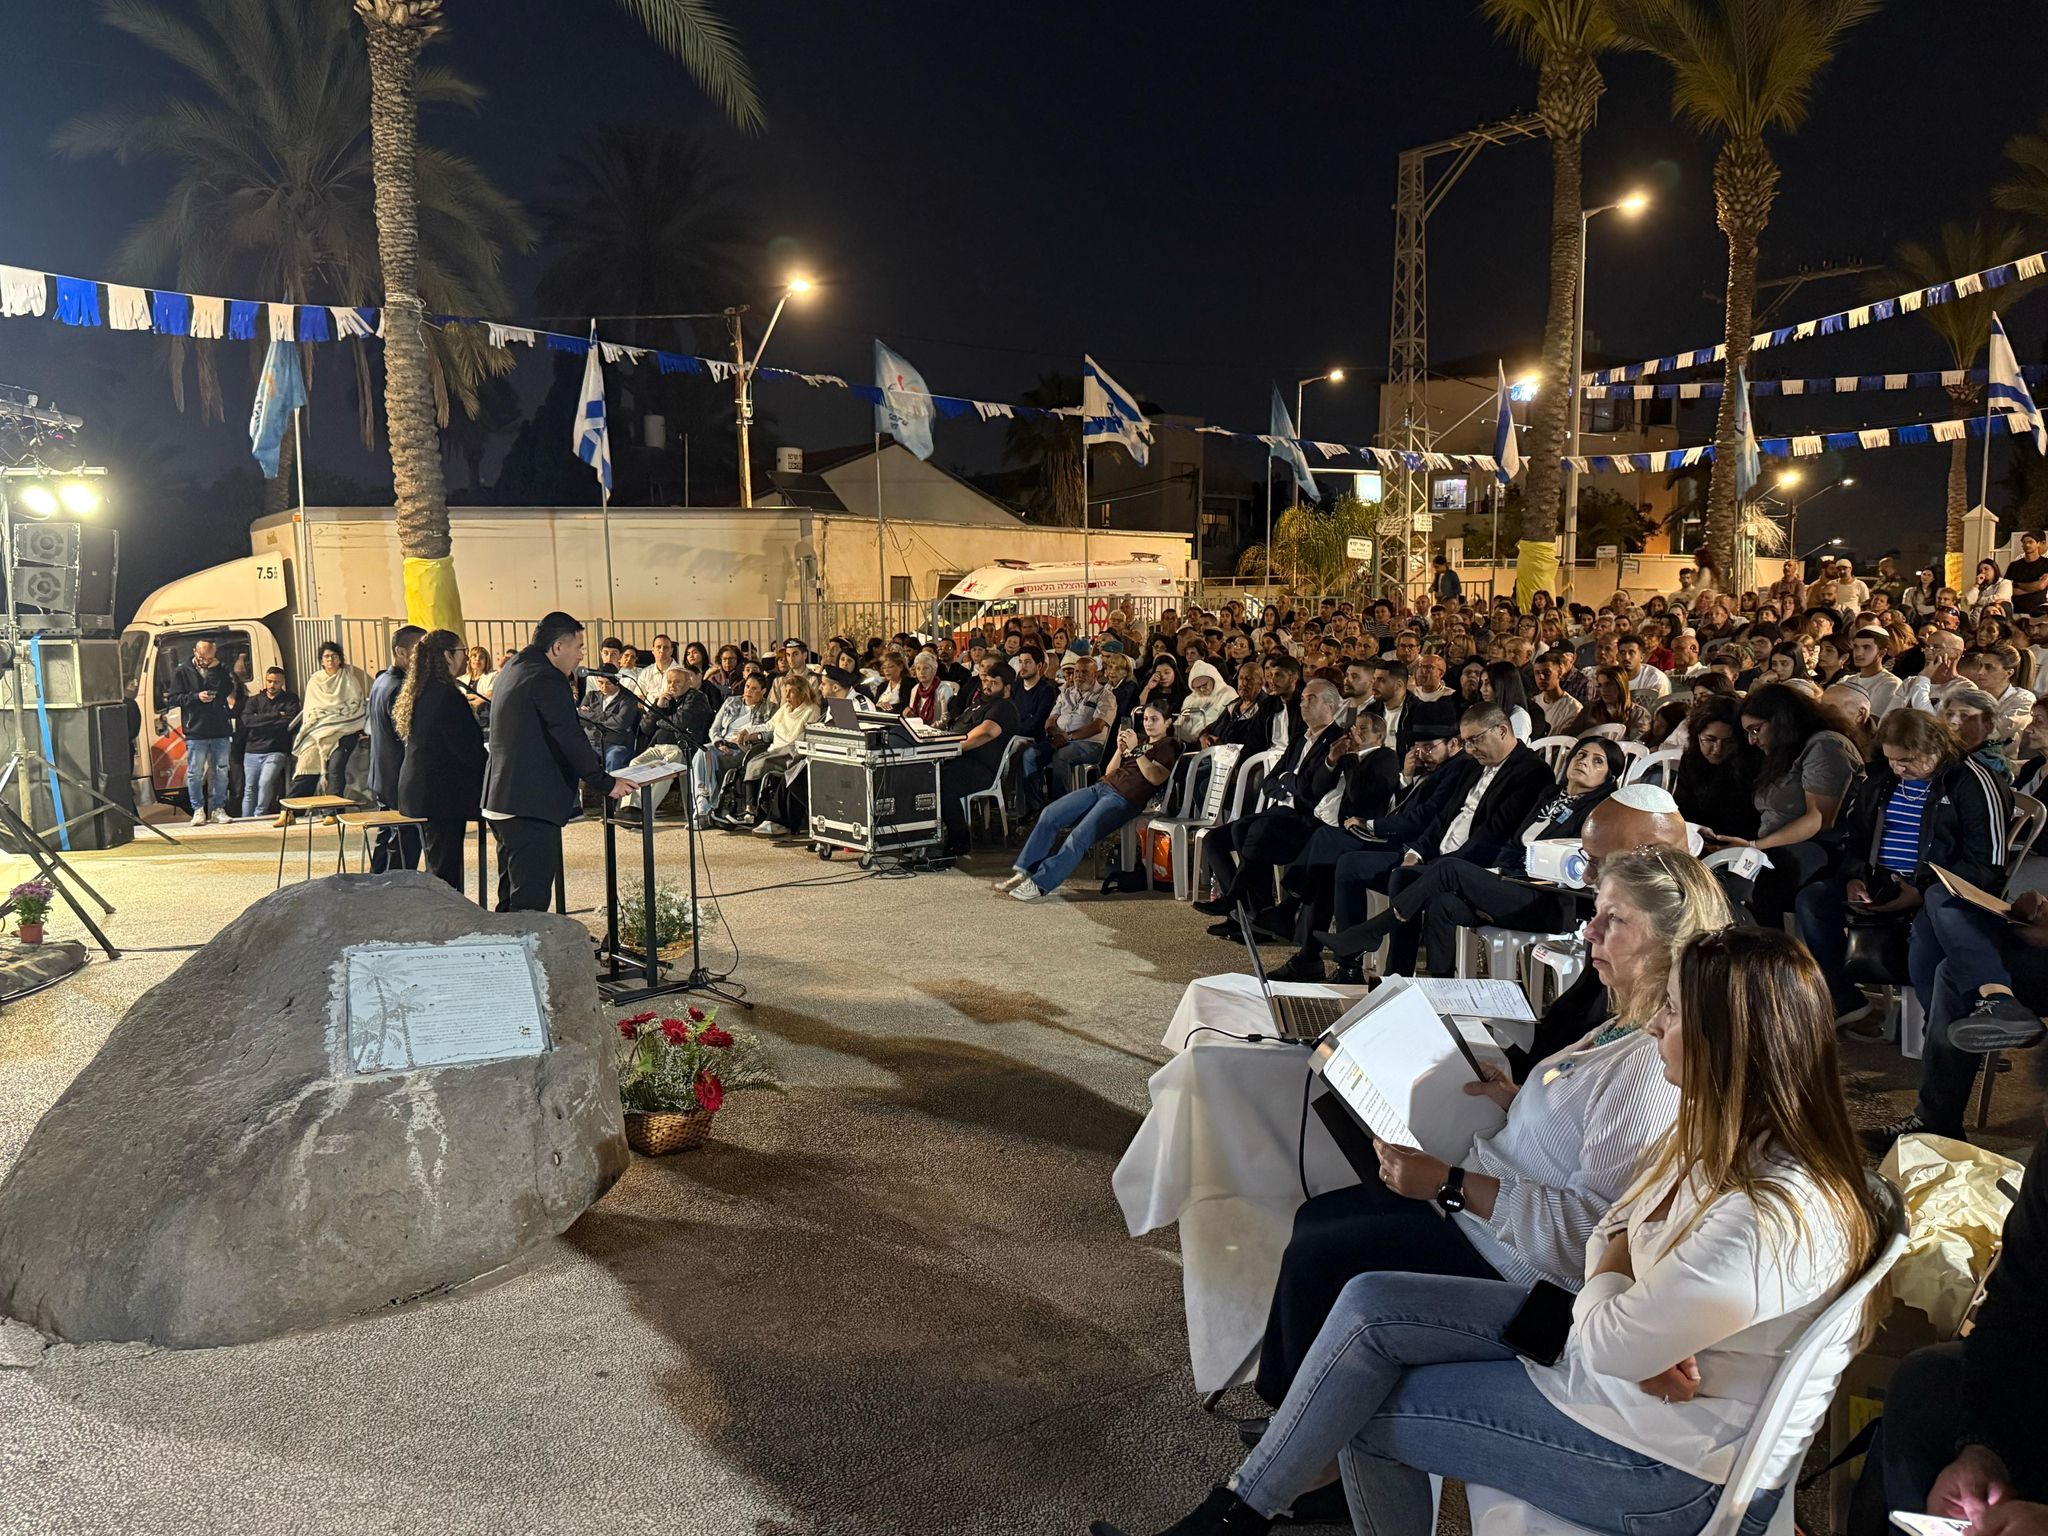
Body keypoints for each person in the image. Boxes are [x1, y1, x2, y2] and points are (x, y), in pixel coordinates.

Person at [1096, 925, 1887, 1536]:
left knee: (1359, 1406)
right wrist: (1627, 1292)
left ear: (1729, 1040)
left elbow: (1611, 1302)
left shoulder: (1764, 1207)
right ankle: (1236, 1516)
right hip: (1621, 1377)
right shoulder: (1726, 1135)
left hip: (1663, 1465)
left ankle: (1236, 1519)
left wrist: (1623, 1294)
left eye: (1675, 1012)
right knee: (1368, 1301)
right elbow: (1613, 1232)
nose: (1655, 1028)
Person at [1252, 846, 1729, 1433]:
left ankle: (1307, 1439)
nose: (1590, 931)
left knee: (1323, 1255)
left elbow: (1591, 1238)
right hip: (1483, 1216)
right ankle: (1304, 1417)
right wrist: (1520, 1098)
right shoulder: (1628, 1021)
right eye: (1596, 913)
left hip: (1515, 1266)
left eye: (1616, 920)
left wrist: (1449, 1184)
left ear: (1670, 942)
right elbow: (1582, 1122)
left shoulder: (1651, 1066)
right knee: (1318, 1220)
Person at [1312, 737, 1628, 980]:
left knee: (1449, 867)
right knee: (1438, 901)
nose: (1584, 762)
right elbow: (1514, 844)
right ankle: (1435, 988)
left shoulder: (1596, 813)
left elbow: (1573, 868)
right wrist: (1495, 870)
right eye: (1581, 754)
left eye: (1597, 761)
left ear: (1609, 776)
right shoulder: (1550, 796)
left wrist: (1494, 871)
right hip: (1512, 882)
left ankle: (1369, 933)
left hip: (1546, 899)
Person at [1797, 709, 2010, 1029]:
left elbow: (1987, 863)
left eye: (1907, 760)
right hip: (1881, 879)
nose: (1899, 768)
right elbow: (1857, 839)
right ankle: (1844, 997)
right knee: (1813, 900)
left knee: (1926, 932)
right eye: (1892, 759)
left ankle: (1940, 1029)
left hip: (1942, 888)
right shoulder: (1882, 780)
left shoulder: (1970, 781)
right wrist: (1855, 878)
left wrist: (1921, 892)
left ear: (1935, 746)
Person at [483, 612, 629, 911]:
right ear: (558, 647)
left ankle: (509, 940)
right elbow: (568, 735)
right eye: (578, 647)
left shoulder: (516, 666)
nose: (581, 656)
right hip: (529, 803)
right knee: (529, 904)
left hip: (504, 798)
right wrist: (604, 782)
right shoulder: (547, 677)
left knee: (511, 898)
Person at [1705, 683, 1861, 927]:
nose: (1752, 740)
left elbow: (1820, 819)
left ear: (1782, 720)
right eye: (1747, 733)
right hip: (1777, 846)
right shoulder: (1783, 753)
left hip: (1822, 847)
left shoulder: (1826, 745)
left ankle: (1770, 947)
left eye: (1756, 730)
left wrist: (1755, 846)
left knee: (1753, 887)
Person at [999, 700, 1180, 901]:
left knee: (1079, 837)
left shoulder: (1169, 745)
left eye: (1154, 719)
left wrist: (1136, 750)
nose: (1148, 723)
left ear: (1167, 722)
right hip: (1101, 787)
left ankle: (1041, 883)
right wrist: (1120, 750)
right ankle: (1027, 870)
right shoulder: (1140, 740)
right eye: (1145, 718)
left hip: (1124, 799)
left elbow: (1155, 777)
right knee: (1050, 814)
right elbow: (1110, 771)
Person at [392, 630, 485, 891]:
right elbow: (466, 748)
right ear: (447, 655)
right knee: (444, 870)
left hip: (423, 789)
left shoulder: (421, 688)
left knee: (439, 863)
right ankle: (445, 915)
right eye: (462, 652)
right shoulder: (446, 694)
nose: (465, 658)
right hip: (440, 794)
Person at [940, 664, 1020, 858]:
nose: (987, 686)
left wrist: (948, 749)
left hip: (980, 769)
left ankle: (959, 840)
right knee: (922, 775)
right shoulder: (979, 703)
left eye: (994, 683)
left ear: (1007, 688)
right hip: (958, 760)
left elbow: (986, 733)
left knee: (940, 783)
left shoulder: (1003, 707)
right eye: (986, 681)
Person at [284, 639, 370, 820]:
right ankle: (290, 811)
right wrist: (326, 719)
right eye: (326, 656)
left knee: (335, 769)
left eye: (334, 656)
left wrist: (334, 717)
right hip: (317, 731)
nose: (330, 659)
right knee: (306, 766)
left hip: (345, 730)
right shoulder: (315, 681)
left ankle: (333, 812)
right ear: (321, 660)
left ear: (340, 660)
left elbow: (355, 705)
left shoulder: (348, 679)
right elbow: (312, 710)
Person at [366, 625, 426, 873]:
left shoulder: (381, 681)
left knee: (387, 839)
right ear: (401, 651)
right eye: (420, 650)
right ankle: (393, 889)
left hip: (383, 774)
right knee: (402, 846)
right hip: (399, 777)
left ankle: (376, 885)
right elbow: (407, 736)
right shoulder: (401, 686)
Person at [1671, 695, 1762, 841]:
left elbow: (1752, 820)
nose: (1718, 749)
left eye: (1729, 741)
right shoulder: (1690, 759)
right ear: (1697, 735)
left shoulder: (1753, 764)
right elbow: (1683, 808)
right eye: (1710, 739)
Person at [169, 638, 237, 827]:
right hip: (195, 729)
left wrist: (215, 671)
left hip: (219, 728)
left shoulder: (221, 668)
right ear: (194, 651)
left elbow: (226, 690)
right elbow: (174, 698)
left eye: (209, 658)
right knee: (195, 772)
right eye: (202, 657)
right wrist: (196, 697)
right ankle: (198, 809)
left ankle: (218, 808)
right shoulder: (182, 671)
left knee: (221, 770)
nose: (205, 661)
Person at [692, 673, 774, 823]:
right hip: (723, 744)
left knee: (708, 758)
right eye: (747, 686)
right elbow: (714, 729)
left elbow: (770, 734)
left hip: (745, 749)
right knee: (703, 751)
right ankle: (703, 799)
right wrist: (719, 743)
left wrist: (750, 737)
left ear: (763, 691)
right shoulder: (731, 702)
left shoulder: (770, 708)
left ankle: (706, 806)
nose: (748, 691)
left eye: (754, 688)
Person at [238, 666, 299, 819]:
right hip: (252, 750)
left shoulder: (290, 700)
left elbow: (288, 722)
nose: (272, 685)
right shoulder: (254, 700)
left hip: (276, 750)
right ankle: (246, 820)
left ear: (282, 682)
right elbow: (247, 721)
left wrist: (259, 720)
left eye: (276, 682)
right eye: (269, 681)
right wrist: (276, 715)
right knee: (250, 788)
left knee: (265, 783)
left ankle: (259, 816)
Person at [1176, 660, 1236, 745]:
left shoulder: (1227, 693)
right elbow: (1180, 725)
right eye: (1198, 687)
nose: (1202, 689)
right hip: (1188, 743)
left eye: (1204, 685)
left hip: (1215, 741)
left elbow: (1225, 723)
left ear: (1213, 679)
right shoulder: (1190, 699)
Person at [2005, 531, 2048, 617]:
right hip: (2016, 611)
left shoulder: (2046, 563)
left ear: (2038, 544)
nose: (2027, 545)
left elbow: (2041, 586)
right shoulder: (2014, 565)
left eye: (2030, 542)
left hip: (2039, 612)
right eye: (2024, 542)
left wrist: (2018, 585)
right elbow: (2008, 589)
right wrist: (2034, 587)